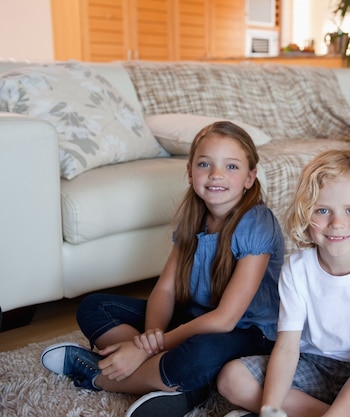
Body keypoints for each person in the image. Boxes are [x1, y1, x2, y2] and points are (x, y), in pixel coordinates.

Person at [40, 121, 285, 417]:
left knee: (199, 354)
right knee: (94, 306)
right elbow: (166, 289)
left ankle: (100, 376)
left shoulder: (257, 222)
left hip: (250, 332)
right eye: (204, 164)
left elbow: (225, 320)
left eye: (231, 167)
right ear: (190, 172)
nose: (216, 174)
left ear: (250, 177)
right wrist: (153, 336)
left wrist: (144, 349)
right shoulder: (192, 218)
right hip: (196, 318)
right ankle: (176, 381)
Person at [216, 149, 350, 417]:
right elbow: (286, 347)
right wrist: (270, 409)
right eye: (322, 210)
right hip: (312, 362)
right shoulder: (296, 268)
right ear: (306, 213)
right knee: (231, 378)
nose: (337, 223)